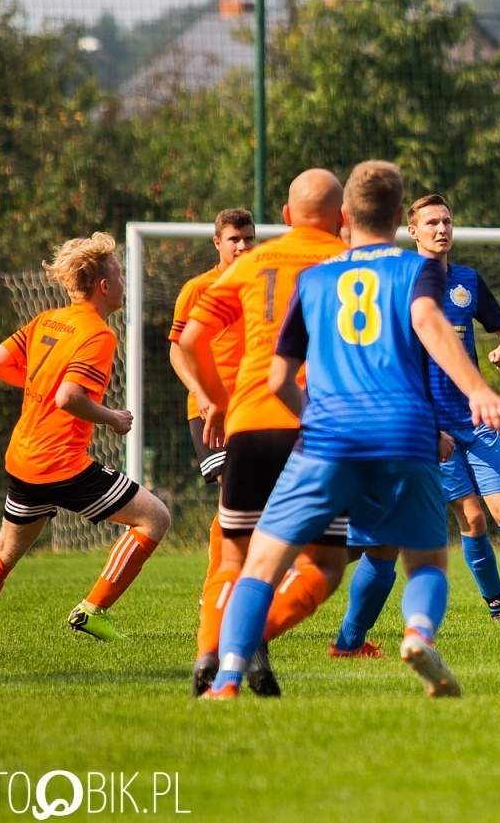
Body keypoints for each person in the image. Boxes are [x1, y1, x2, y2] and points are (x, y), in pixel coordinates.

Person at [203, 161, 500, 699]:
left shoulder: (316, 277)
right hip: (406, 433)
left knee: (260, 564)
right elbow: (428, 323)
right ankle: (417, 634)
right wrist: (477, 388)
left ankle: (227, 677)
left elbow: (277, 379)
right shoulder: (419, 270)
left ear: (345, 217)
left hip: (328, 436)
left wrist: (314, 416)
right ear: (399, 217)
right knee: (426, 561)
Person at [330, 195, 500, 655]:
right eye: (431, 223)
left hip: (475, 417)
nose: (441, 229)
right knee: (474, 520)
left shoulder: (467, 281)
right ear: (414, 231)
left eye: (446, 221)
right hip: (431, 428)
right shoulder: (401, 284)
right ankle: (498, 609)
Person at [0, 233, 172, 644]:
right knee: (155, 517)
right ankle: (92, 610)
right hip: (60, 463)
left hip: (24, 457)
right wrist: (113, 419)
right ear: (104, 286)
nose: (123, 283)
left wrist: (39, 387)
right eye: (120, 275)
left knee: (5, 550)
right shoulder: (99, 335)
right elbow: (69, 398)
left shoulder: (47, 319)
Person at [177, 170, 349, 696]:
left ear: (288, 215)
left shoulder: (254, 262)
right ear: (342, 218)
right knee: (322, 561)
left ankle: (212, 652)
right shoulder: (348, 265)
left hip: (249, 421)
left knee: (233, 555)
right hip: (316, 426)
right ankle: (245, 641)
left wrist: (220, 402)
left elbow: (190, 341)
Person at [168, 208, 254, 594]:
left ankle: (231, 585)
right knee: (233, 493)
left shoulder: (260, 284)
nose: (242, 246)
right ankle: (218, 589)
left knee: (248, 501)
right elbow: (177, 351)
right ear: (218, 243)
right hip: (210, 411)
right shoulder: (198, 288)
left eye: (248, 238)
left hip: (255, 408)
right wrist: (201, 393)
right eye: (234, 239)